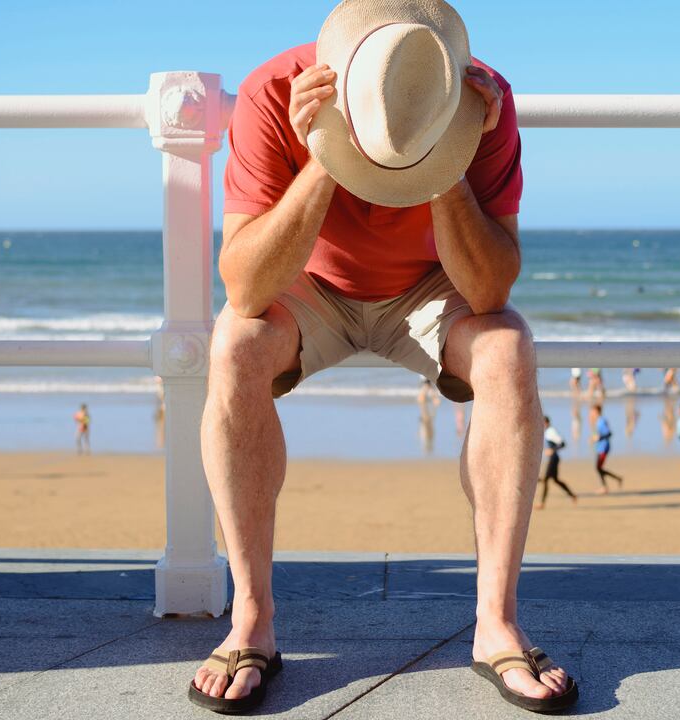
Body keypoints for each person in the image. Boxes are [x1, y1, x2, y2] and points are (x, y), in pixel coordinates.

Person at [188, 2, 574, 712]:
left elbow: (488, 289)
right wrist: (324, 156)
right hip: (311, 286)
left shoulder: (478, 100)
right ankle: (253, 620)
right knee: (236, 344)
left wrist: (445, 157)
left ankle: (496, 623)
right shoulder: (276, 90)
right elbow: (244, 287)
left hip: (434, 286)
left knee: (507, 347)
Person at [537, 416, 577, 508]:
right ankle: (572, 495)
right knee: (555, 480)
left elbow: (563, 443)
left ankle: (542, 503)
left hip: (554, 458)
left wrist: (552, 450)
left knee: (546, 479)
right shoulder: (548, 431)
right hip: (553, 458)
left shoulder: (551, 431)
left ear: (546, 423)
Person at [590, 402, 624, 494]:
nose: (591, 413)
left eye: (592, 411)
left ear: (597, 411)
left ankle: (606, 486)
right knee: (599, 468)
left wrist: (599, 437)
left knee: (598, 468)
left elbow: (609, 433)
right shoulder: (598, 421)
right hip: (600, 447)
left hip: (604, 448)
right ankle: (616, 479)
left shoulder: (602, 421)